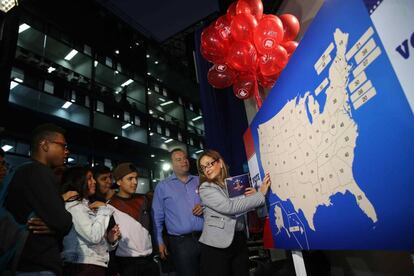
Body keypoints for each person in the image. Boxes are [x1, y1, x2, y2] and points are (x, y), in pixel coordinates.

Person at [4, 123, 73, 275]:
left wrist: (54, 226)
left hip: (20, 263)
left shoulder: (22, 171)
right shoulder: (38, 172)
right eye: (63, 146)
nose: (66, 152)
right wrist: (58, 226)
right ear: (45, 145)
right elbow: (63, 222)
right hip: (36, 266)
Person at [196, 150, 271, 276]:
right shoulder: (205, 188)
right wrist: (260, 195)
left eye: (209, 164)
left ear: (220, 162)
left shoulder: (233, 185)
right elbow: (229, 207)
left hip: (239, 240)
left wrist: (255, 196)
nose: (207, 169)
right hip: (216, 246)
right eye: (203, 167)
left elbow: (259, 212)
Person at [61, 166, 121, 275]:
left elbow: (95, 244)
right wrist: (104, 208)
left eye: (93, 178)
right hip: (81, 266)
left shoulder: (85, 206)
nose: (93, 182)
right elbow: (94, 237)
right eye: (89, 178)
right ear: (79, 181)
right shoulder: (75, 207)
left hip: (92, 265)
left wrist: (110, 240)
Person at [152, 148, 203, 276]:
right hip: (180, 243)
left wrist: (204, 206)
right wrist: (159, 241)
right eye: (178, 159)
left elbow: (212, 201)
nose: (184, 161)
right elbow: (157, 216)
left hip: (205, 237)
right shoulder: (163, 186)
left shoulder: (200, 181)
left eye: (185, 158)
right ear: (171, 164)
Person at [108, 162, 158, 276]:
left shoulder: (144, 200)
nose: (135, 182)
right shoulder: (109, 206)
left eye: (136, 178)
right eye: (130, 179)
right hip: (127, 265)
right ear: (119, 181)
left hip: (149, 262)